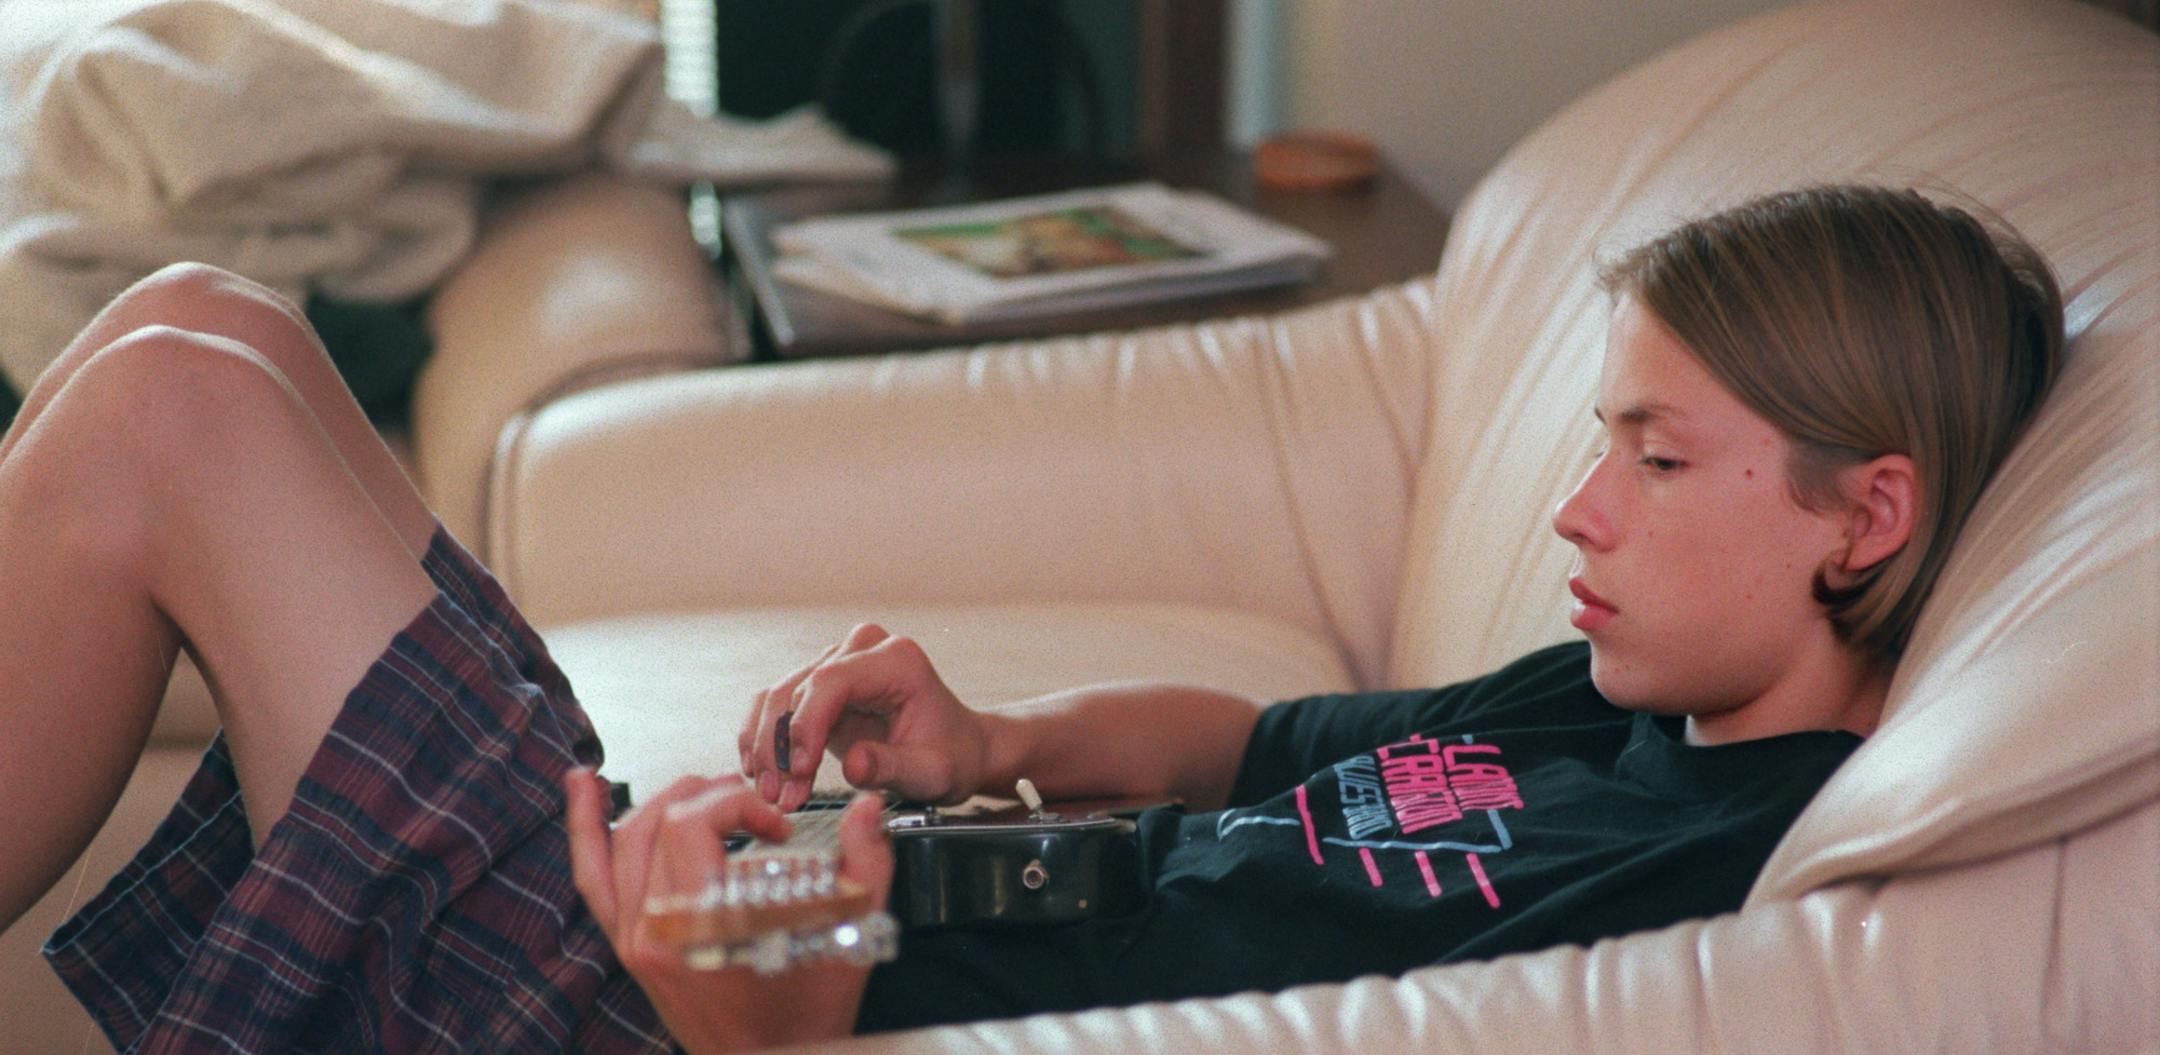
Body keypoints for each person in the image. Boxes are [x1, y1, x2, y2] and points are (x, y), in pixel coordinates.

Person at [0, 184, 2061, 1053]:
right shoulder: (1616, 712)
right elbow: (1249, 747)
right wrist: (996, 744)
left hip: (688, 1025)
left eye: (1662, 460)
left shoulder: (1716, 896)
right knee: (218, 323)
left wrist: (757, 1016)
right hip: (774, 924)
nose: (1578, 505)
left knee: (174, 411)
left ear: (1864, 515)